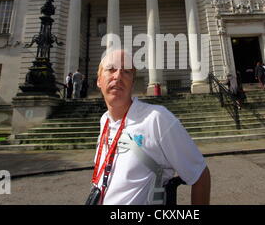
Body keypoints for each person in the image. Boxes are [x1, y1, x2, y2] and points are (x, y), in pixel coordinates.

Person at [89, 49, 211, 205]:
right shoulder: (105, 121)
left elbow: (200, 175)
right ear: (99, 80)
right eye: (111, 69)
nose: (118, 76)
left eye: (126, 71)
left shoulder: (156, 119)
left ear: (133, 81)